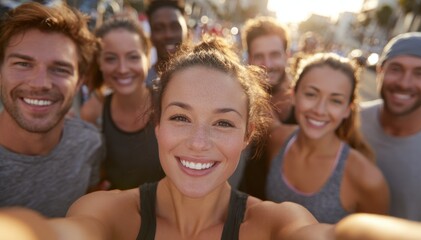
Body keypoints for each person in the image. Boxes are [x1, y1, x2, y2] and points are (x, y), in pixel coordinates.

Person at [0, 37, 335, 240]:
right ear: (157, 125)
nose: (199, 142)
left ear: (247, 136)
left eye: (223, 123)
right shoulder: (107, 214)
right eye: (180, 117)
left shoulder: (278, 224)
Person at [0, 2, 104, 217]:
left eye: (60, 69)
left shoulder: (89, 144)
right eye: (23, 64)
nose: (40, 83)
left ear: (78, 82)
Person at [264, 53, 389, 223]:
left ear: (347, 109)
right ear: (293, 94)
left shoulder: (367, 179)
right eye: (311, 94)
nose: (320, 110)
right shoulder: (277, 139)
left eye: (335, 101)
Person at [80, 17, 164, 190]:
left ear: (147, 58)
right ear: (99, 63)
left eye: (133, 57)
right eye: (111, 59)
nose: (123, 68)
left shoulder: (168, 104)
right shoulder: (92, 114)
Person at [359, 32, 421, 221]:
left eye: (420, 73)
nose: (404, 83)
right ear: (380, 71)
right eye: (396, 69)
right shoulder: (350, 120)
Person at [238, 16, 294, 199]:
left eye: (275, 55)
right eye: (259, 56)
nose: (267, 65)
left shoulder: (307, 106)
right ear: (249, 59)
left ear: (287, 56)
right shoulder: (238, 99)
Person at [144, 0, 189, 88]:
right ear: (150, 36)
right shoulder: (143, 85)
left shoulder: (201, 78)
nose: (168, 35)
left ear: (187, 31)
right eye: (159, 28)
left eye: (175, 26)